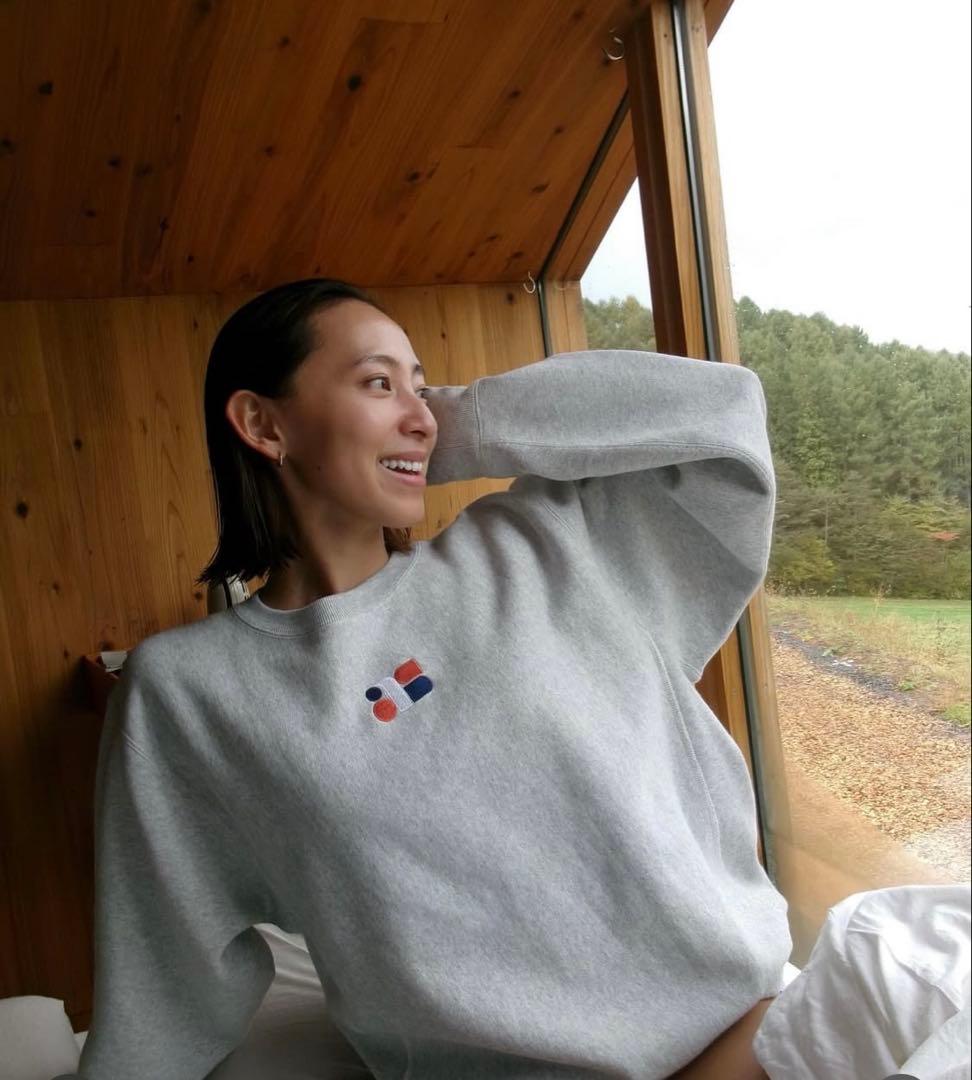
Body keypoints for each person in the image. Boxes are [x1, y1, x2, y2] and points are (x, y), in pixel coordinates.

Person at [69, 278, 793, 1078]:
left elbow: (723, 416)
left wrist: (445, 429)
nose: (420, 412)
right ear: (263, 423)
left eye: (422, 385)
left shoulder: (543, 550)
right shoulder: (187, 692)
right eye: (378, 382)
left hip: (751, 1033)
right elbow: (163, 973)